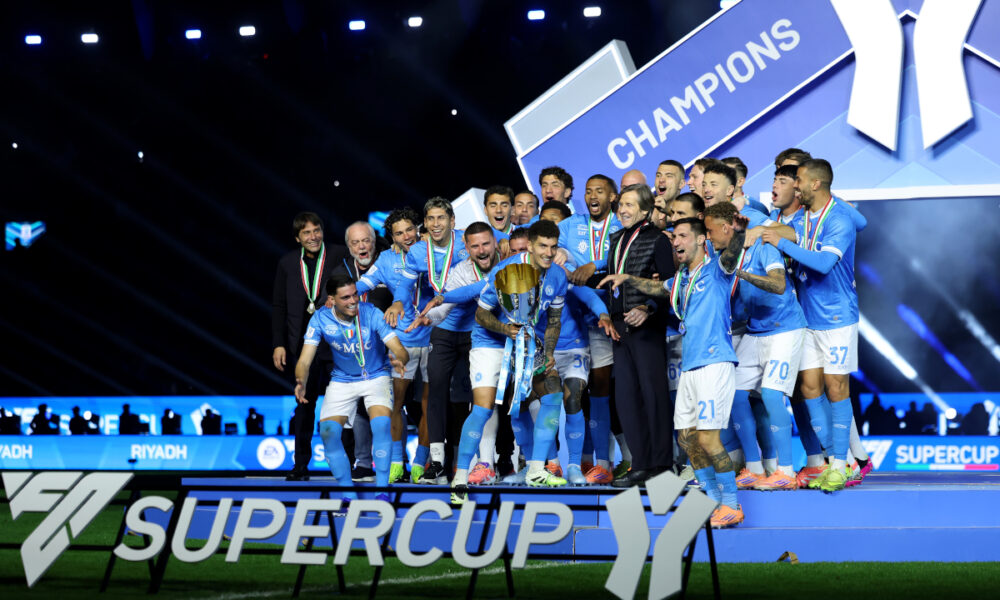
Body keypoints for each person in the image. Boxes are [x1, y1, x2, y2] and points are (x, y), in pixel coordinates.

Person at [451, 220, 616, 503]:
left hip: (527, 341)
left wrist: (548, 354)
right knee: (483, 408)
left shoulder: (557, 277)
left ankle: (537, 469)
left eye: (553, 247)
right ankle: (459, 480)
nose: (549, 253)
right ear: (530, 245)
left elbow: (553, 320)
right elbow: (481, 314)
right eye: (543, 246)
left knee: (552, 396)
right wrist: (505, 330)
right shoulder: (507, 269)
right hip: (491, 341)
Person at [600, 216, 747, 527]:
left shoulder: (717, 269)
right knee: (686, 439)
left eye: (681, 236)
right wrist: (627, 278)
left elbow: (733, 254)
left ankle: (732, 504)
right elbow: (656, 286)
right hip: (690, 366)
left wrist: (739, 233)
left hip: (714, 362)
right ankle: (710, 500)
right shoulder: (680, 279)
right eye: (673, 238)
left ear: (700, 240)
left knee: (708, 439)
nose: (676, 242)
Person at [758, 159, 864, 492]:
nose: (795, 186)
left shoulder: (839, 219)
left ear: (815, 184)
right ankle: (837, 461)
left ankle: (841, 464)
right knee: (809, 389)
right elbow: (777, 231)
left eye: (799, 180)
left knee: (836, 388)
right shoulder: (803, 218)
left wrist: (781, 243)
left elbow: (823, 263)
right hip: (807, 318)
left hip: (836, 317)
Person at [704, 201, 806, 490]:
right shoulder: (721, 256)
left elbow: (779, 285)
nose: (709, 237)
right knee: (735, 396)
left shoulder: (763, 247)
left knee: (773, 396)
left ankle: (785, 472)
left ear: (727, 229)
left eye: (712, 231)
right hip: (754, 330)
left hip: (784, 328)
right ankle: (754, 467)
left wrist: (742, 274)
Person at [295, 274, 409, 503]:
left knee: (381, 424)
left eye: (355, 294)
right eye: (345, 297)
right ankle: (348, 494)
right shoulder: (320, 319)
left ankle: (382, 490)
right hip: (343, 379)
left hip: (376, 375)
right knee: (328, 433)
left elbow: (399, 348)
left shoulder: (372, 313)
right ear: (332, 300)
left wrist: (399, 358)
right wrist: (301, 381)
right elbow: (305, 360)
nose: (353, 301)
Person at [410, 222, 504, 484]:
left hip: (480, 335)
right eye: (475, 246)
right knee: (436, 389)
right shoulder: (460, 271)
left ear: (496, 242)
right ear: (467, 248)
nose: (481, 250)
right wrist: (429, 318)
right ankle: (438, 461)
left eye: (486, 244)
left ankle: (489, 461)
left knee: (482, 396)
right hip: (446, 332)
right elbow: (446, 302)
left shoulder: (507, 265)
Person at [391, 197, 470, 483]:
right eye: (431, 219)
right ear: (425, 223)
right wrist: (399, 302)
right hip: (440, 328)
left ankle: (469, 463)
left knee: (467, 398)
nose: (436, 224)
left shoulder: (467, 241)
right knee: (436, 394)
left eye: (441, 218)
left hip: (474, 328)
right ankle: (436, 463)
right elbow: (405, 283)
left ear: (452, 220)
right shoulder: (418, 252)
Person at [601, 183, 675, 488]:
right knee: (627, 397)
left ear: (645, 210)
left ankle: (661, 465)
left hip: (646, 326)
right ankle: (640, 464)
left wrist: (648, 308)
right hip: (619, 327)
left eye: (631, 205)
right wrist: (606, 313)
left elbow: (671, 286)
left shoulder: (657, 239)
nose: (623, 209)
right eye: (621, 204)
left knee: (653, 395)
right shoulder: (616, 238)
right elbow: (610, 282)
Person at [355, 207, 434, 483]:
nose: (406, 236)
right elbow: (364, 283)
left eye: (409, 229)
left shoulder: (434, 253)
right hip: (402, 340)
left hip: (434, 337)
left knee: (429, 405)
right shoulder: (386, 260)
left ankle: (421, 464)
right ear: (392, 237)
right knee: (395, 404)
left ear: (418, 228)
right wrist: (340, 296)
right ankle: (397, 464)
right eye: (399, 233)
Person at [554, 174, 624, 483]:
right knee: (576, 394)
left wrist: (592, 265)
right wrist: (570, 261)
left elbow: (622, 258)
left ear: (612, 197)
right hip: (571, 317)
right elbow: (555, 251)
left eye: (600, 190)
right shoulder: (570, 224)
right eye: (588, 191)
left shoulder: (621, 225)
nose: (592, 196)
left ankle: (605, 463)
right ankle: (581, 462)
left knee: (600, 391)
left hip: (604, 317)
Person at [272, 212, 348, 481]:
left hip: (339, 343)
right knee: (304, 403)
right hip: (304, 346)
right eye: (306, 233)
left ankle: (349, 465)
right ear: (297, 238)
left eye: (316, 230)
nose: (313, 236)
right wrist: (279, 344)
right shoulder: (287, 263)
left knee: (345, 404)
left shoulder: (339, 254)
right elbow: (279, 306)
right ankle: (300, 465)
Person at [334, 221, 392, 483]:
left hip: (390, 347)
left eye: (366, 241)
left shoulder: (389, 264)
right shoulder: (340, 274)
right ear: (349, 247)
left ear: (374, 241)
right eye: (356, 243)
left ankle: (395, 463)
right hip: (355, 351)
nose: (362, 247)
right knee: (358, 408)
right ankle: (364, 462)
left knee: (395, 405)